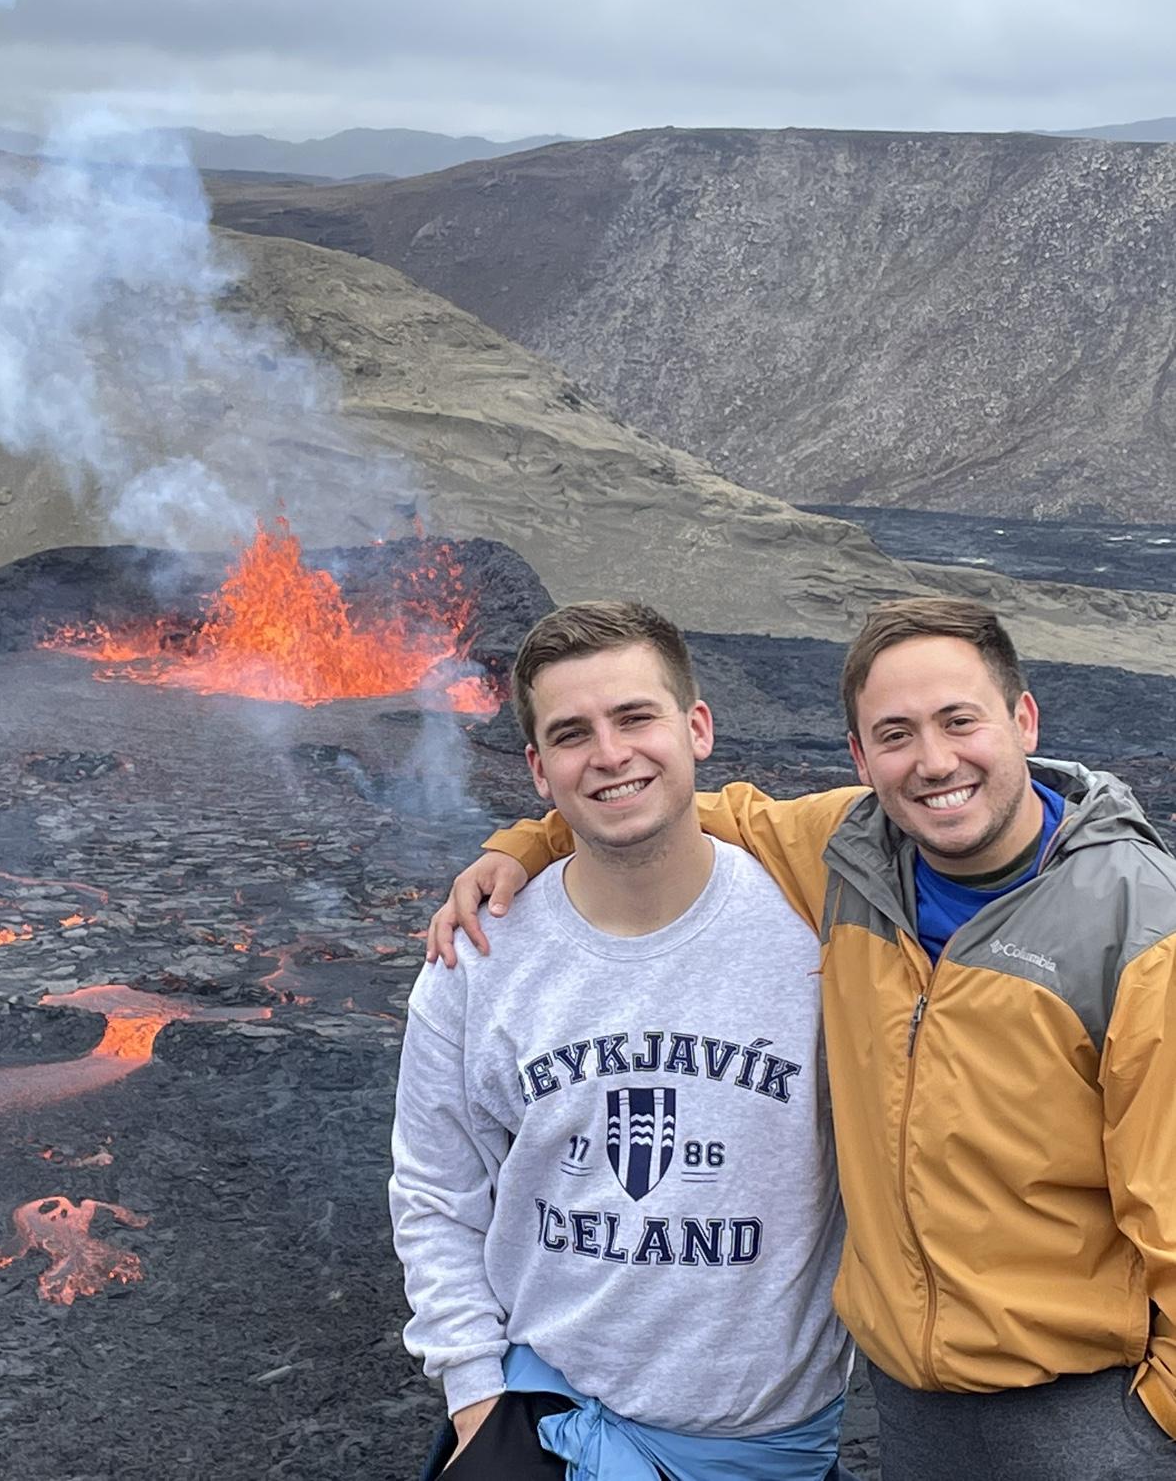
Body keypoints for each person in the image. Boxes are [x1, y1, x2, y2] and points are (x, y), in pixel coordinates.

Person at [428, 596, 1176, 1480]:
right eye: (895, 734)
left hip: (1088, 1408)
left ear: (1024, 720)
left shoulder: (1137, 927)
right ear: (859, 759)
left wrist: (1146, 1433)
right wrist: (525, 843)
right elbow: (652, 801)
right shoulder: (849, 856)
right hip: (915, 1405)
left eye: (959, 721)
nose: (935, 761)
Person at [390, 601, 855, 1480]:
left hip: (768, 1452)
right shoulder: (478, 957)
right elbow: (435, 1192)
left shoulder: (819, 928)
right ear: (538, 769)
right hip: (548, 1431)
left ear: (697, 728)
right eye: (572, 734)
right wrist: (476, 1400)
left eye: (635, 717)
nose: (609, 754)